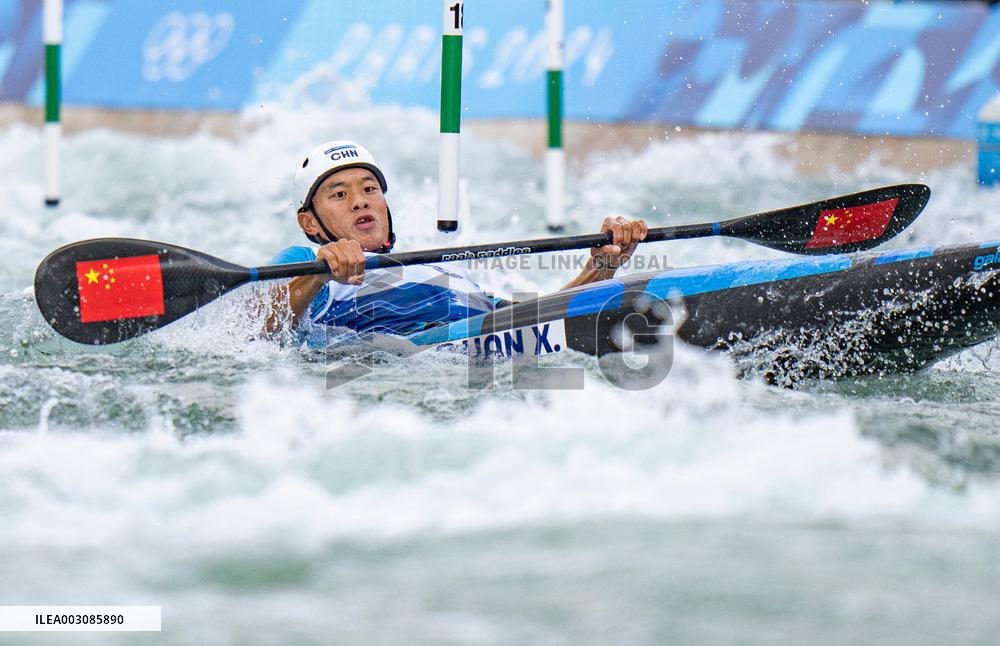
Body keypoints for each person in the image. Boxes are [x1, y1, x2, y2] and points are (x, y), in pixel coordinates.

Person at [263, 140, 648, 337]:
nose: (361, 200)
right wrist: (318, 274)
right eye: (339, 194)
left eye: (369, 188)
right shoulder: (306, 261)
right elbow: (259, 330)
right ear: (309, 222)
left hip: (484, 351)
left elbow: (532, 322)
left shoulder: (437, 272)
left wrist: (602, 265)